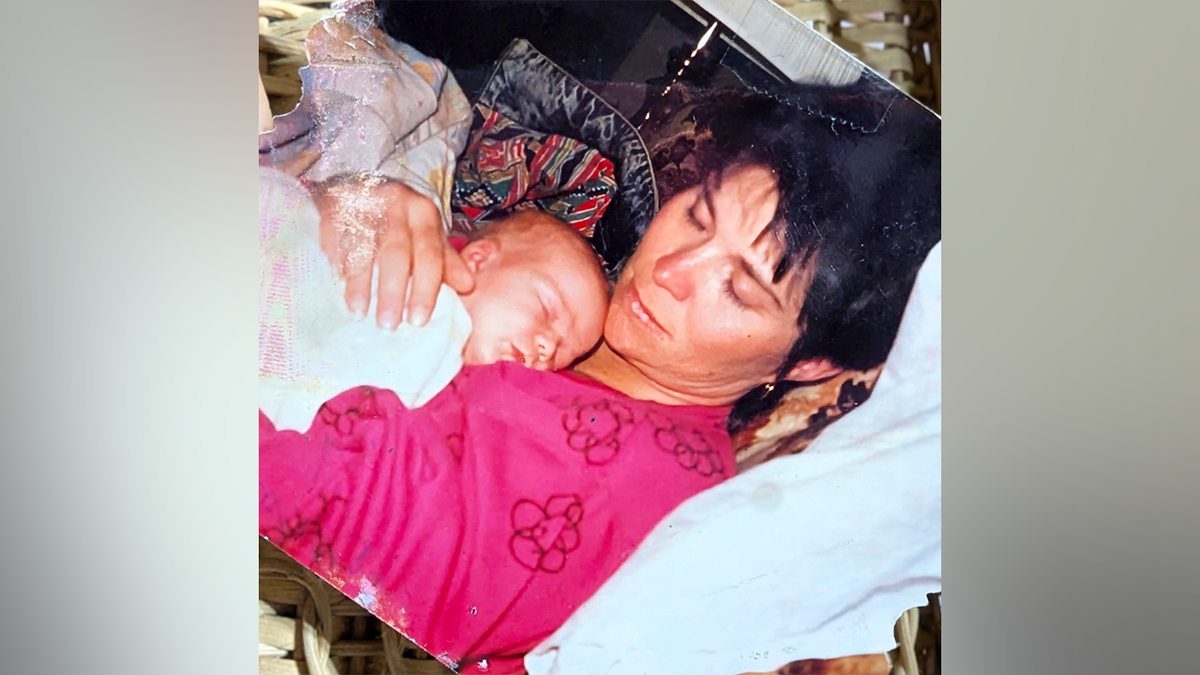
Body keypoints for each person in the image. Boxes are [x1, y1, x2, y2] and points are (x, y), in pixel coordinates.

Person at [259, 88, 938, 674]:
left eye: (737, 287)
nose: (670, 270)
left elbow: (368, 544)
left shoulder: (643, 477)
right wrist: (356, 210)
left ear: (808, 364)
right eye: (697, 213)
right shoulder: (575, 288)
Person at [259, 166, 609, 432]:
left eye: (564, 352)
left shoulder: (459, 393)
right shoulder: (425, 293)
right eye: (546, 308)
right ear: (479, 259)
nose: (547, 346)